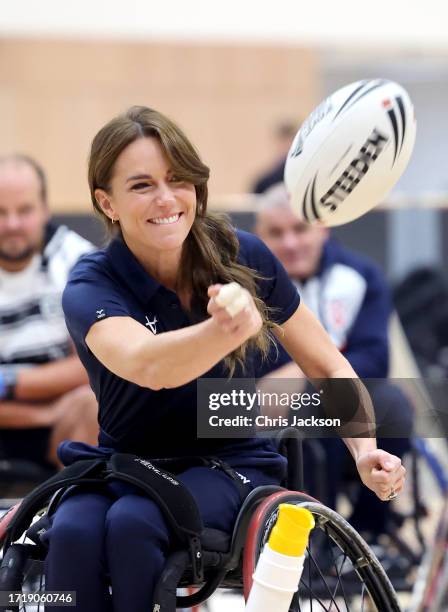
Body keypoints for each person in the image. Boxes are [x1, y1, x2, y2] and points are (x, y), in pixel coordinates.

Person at [44, 106, 405, 612]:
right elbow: (148, 365)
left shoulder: (243, 255)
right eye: (142, 185)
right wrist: (223, 331)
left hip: (228, 461)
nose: (167, 199)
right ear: (107, 202)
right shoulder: (91, 282)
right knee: (74, 530)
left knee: (133, 523)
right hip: (127, 463)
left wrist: (364, 451)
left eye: (178, 179)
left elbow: (326, 365)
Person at [254, 182, 413, 540]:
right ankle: (312, 538)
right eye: (277, 233)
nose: (291, 243)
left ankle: (368, 533)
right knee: (305, 405)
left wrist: (306, 368)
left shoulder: (360, 276)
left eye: (299, 229)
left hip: (337, 403)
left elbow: (375, 359)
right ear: (259, 236)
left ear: (322, 227)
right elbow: (250, 370)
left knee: (395, 404)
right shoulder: (246, 285)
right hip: (264, 415)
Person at [0, 155, 98, 470]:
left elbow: (93, 363)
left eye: (24, 211)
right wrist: (42, 408)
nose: (12, 224)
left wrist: (11, 381)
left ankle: (73, 511)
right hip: (35, 411)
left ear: (44, 209)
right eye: (0, 212)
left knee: (92, 402)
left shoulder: (79, 262)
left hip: (64, 419)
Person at [250, 121, 298, 194]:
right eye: (283, 141)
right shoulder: (264, 182)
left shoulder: (300, 175)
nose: (287, 146)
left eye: (290, 141)